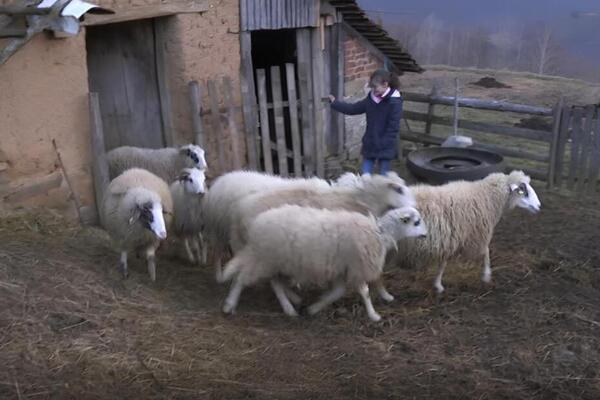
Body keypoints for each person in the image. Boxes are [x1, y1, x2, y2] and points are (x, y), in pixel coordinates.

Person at [329, 69, 403, 175]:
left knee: (384, 178)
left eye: (375, 87)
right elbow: (353, 109)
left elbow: (393, 127)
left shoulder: (395, 102)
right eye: (372, 87)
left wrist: (382, 143)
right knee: (365, 176)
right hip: (370, 142)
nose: (373, 90)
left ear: (385, 84)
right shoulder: (371, 99)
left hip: (385, 144)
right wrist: (335, 103)